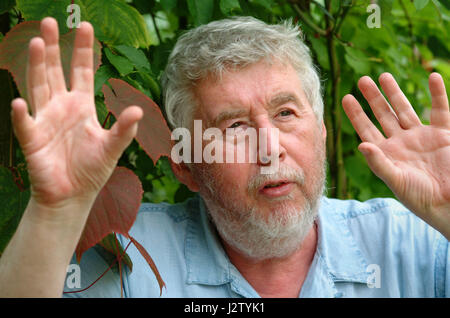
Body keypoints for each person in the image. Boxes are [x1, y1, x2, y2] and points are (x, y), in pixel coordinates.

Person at [0, 16, 448, 298]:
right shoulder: (128, 257)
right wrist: (53, 215)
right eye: (234, 127)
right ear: (185, 164)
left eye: (286, 112)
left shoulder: (414, 240)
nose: (270, 147)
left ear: (323, 133)